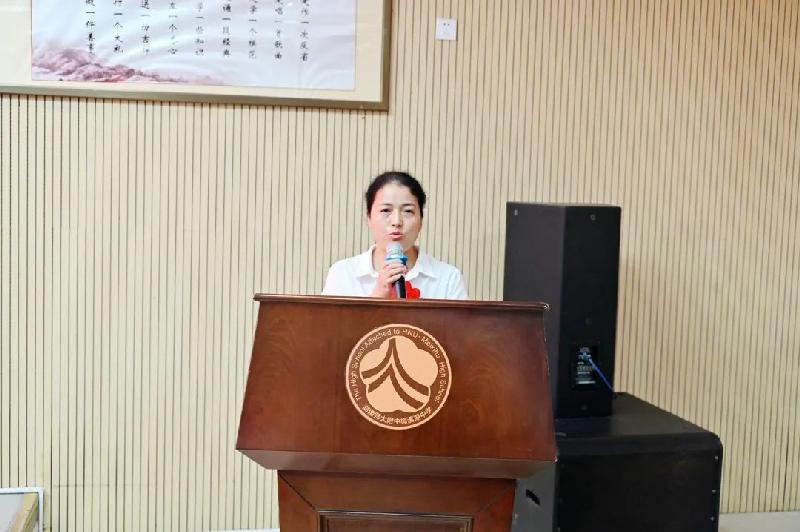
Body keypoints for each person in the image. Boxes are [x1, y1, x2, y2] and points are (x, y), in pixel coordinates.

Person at [322, 171, 469, 299]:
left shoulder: (448, 278)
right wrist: (376, 298)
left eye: (408, 211)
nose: (397, 222)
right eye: (386, 210)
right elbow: (330, 323)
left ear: (421, 219)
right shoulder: (342, 274)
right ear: (369, 217)